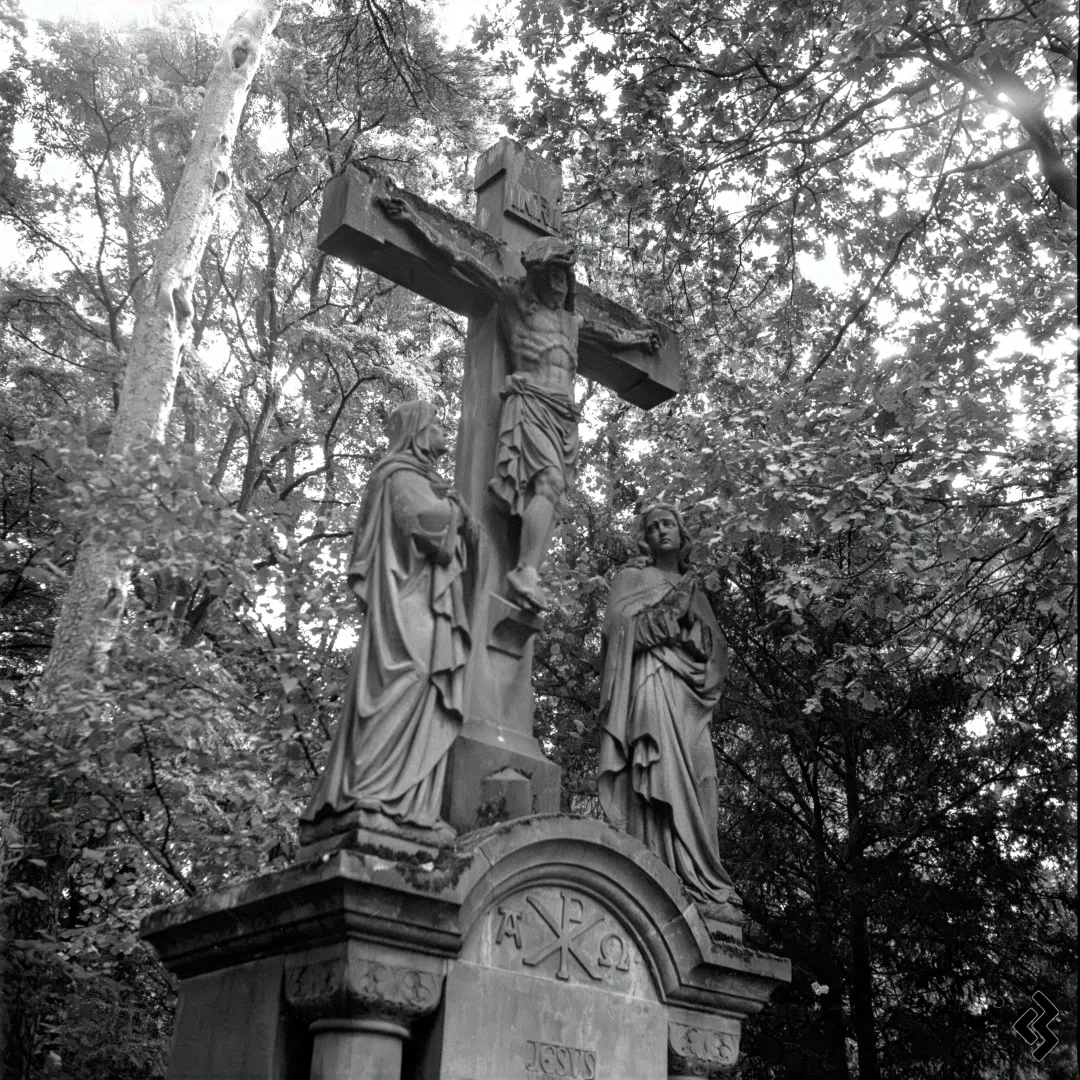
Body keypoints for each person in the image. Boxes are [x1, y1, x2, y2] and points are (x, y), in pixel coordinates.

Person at [378, 195, 660, 611]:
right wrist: (412, 222)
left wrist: (642, 338)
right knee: (545, 482)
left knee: (553, 492)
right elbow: (459, 259)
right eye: (555, 275)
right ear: (539, 275)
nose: (562, 285)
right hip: (530, 404)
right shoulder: (514, 300)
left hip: (565, 418)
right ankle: (525, 570)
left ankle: (528, 566)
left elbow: (612, 337)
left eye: (567, 276)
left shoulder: (571, 321)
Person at [301, 400, 475, 842]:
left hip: (421, 603)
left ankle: (407, 805)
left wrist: (459, 514)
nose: (442, 429)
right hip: (406, 608)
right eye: (435, 423)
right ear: (416, 431)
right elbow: (422, 525)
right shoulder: (400, 476)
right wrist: (457, 512)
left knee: (419, 696)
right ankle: (372, 793)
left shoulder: (418, 479)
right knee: (403, 684)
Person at [596, 504, 737, 906]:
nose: (661, 531)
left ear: (681, 531)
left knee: (703, 774)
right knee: (653, 769)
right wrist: (669, 619)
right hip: (651, 684)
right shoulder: (632, 578)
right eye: (653, 526)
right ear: (644, 537)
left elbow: (717, 655)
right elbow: (618, 633)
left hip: (690, 699)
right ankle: (657, 871)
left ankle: (703, 876)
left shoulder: (693, 588)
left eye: (668, 524)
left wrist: (694, 628)